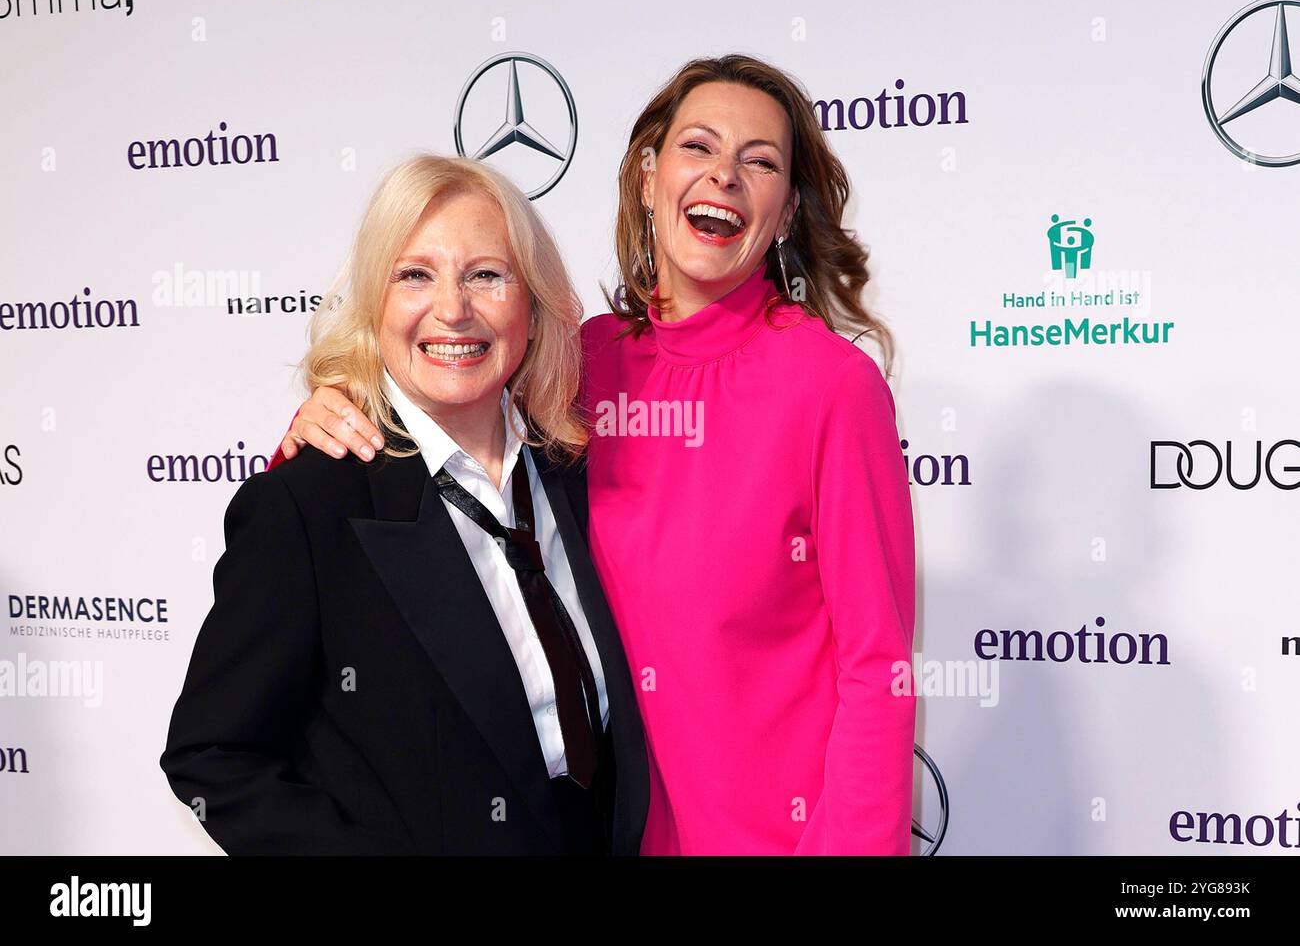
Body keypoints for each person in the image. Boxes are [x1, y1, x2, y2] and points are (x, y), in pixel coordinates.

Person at [271, 54, 917, 855]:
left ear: (785, 212)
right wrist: (321, 424)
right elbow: (438, 444)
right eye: (699, 148)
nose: (724, 177)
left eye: (760, 162)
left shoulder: (832, 387)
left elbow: (876, 669)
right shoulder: (582, 364)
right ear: (648, 179)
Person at [160, 154, 649, 855]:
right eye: (415, 274)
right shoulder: (308, 505)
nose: (452, 308)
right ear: (374, 306)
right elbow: (211, 754)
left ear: (533, 306)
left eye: (486, 274)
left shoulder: (573, 467)